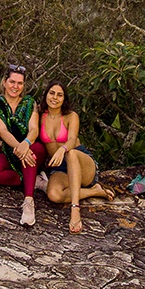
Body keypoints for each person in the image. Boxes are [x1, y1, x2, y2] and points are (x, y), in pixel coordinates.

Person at [37, 81, 114, 234]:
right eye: (52, 93)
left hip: (81, 162)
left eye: (60, 95)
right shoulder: (40, 116)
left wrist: (62, 150)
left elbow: (72, 140)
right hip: (61, 168)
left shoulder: (71, 116)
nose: (55, 98)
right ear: (46, 95)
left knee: (70, 152)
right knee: (54, 195)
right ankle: (94, 191)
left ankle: (75, 209)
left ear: (64, 99)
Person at [0, 64, 46, 227]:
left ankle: (28, 201)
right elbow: (3, 131)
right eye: (12, 82)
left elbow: (34, 129)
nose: (15, 86)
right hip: (7, 150)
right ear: (5, 82)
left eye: (19, 83)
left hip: (31, 148)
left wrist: (25, 145)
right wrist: (19, 149)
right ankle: (33, 181)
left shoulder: (29, 102)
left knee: (35, 151)